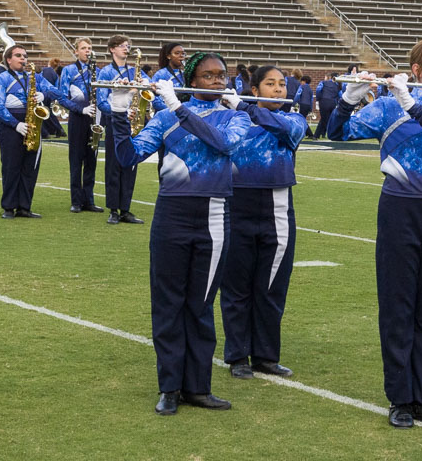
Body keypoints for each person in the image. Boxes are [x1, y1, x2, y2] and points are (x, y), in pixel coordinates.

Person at [328, 39, 422, 429]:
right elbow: (336, 133)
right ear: (417, 68)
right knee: (397, 307)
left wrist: (414, 105)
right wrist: (348, 98)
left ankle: (421, 397)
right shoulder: (387, 105)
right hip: (397, 209)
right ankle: (399, 399)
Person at [107, 52, 250, 415]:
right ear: (192, 79)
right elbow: (128, 157)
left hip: (215, 215)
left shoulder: (237, 116)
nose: (218, 81)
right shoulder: (166, 117)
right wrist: (119, 113)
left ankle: (198, 387)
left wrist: (178, 107)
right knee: (169, 303)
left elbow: (224, 144)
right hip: (172, 215)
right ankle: (170, 387)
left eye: (222, 75)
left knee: (200, 304)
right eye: (208, 76)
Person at [221, 65, 307, 380]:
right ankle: (237, 356)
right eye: (270, 84)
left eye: (282, 84)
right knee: (236, 285)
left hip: (278, 206)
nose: (278, 89)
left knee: (271, 284)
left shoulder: (293, 119)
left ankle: (266, 356)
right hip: (236, 202)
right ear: (254, 89)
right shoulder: (234, 117)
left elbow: (285, 131)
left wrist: (243, 106)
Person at [0, 45, 78, 219]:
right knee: (11, 167)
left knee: (30, 168)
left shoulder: (34, 77)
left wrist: (44, 95)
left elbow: (57, 93)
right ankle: (9, 207)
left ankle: (25, 206)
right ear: (8, 59)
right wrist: (15, 124)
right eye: (18, 56)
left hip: (32, 123)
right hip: (11, 126)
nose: (23, 59)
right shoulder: (2, 78)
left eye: (25, 56)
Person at [97, 35, 147, 224]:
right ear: (112, 49)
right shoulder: (106, 72)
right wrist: (119, 113)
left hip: (133, 123)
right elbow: (101, 100)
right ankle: (113, 209)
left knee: (130, 165)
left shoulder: (135, 71)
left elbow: (148, 88)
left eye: (127, 46)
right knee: (113, 165)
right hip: (115, 120)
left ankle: (125, 208)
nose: (126, 49)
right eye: (121, 46)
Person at [58, 38, 104, 213]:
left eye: (89, 48)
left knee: (91, 160)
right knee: (76, 160)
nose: (87, 51)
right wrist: (81, 109)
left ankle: (89, 200)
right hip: (78, 117)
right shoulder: (69, 70)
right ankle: (76, 201)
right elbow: (62, 97)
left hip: (95, 118)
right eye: (83, 48)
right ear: (76, 51)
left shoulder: (97, 71)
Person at [149, 42, 186, 113]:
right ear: (169, 56)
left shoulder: (184, 74)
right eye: (177, 53)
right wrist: (174, 110)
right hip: (166, 113)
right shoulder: (161, 74)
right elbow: (155, 99)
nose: (181, 56)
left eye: (183, 53)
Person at [40, 57, 67, 139]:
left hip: (41, 93)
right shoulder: (55, 75)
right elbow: (56, 87)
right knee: (48, 112)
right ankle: (57, 129)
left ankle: (48, 131)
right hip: (50, 94)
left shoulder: (43, 70)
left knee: (43, 112)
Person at [314, 73, 340, 140]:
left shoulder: (323, 82)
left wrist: (318, 100)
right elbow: (340, 95)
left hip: (324, 102)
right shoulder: (338, 85)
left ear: (331, 77)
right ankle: (320, 134)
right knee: (329, 120)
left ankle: (317, 135)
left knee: (323, 119)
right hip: (333, 103)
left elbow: (318, 90)